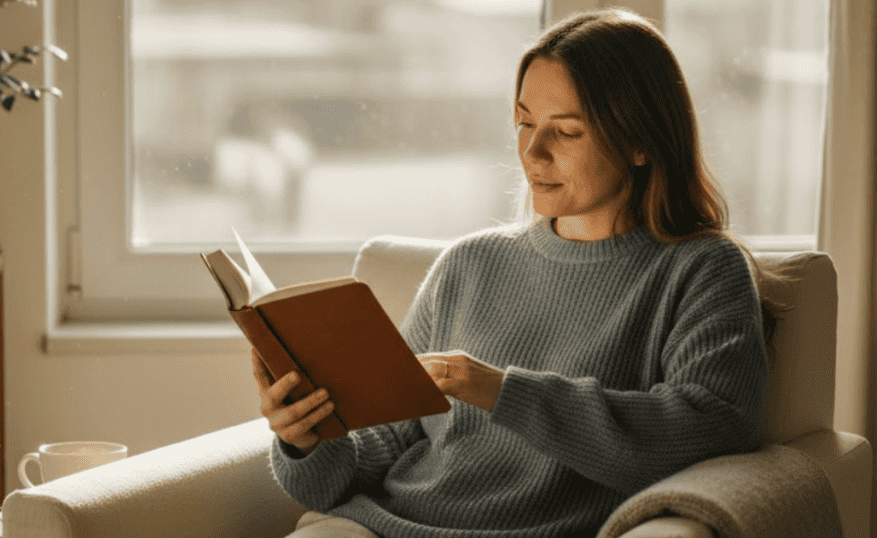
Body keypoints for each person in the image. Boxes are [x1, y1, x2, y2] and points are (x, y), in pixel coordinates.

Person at [252, 8, 795, 538]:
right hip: (388, 525)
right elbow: (375, 456)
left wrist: (501, 391)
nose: (532, 152)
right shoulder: (468, 264)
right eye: (525, 123)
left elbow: (713, 427)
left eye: (567, 131)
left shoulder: (702, 270)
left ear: (639, 142)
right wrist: (307, 438)